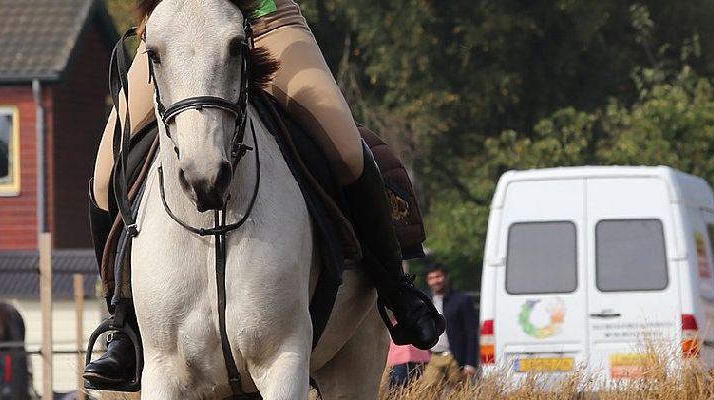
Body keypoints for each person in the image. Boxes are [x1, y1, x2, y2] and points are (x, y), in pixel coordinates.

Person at [83, 0, 445, 386]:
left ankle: (395, 291)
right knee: (105, 178)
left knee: (350, 154)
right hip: (173, 30)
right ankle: (122, 323)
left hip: (268, 21)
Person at [416, 265, 478, 386]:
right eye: (431, 278)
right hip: (433, 357)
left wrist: (470, 363)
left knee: (460, 394)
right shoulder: (424, 300)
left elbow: (471, 332)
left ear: (446, 276)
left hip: (456, 357)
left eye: (438, 276)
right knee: (426, 392)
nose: (435, 281)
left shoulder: (462, 300)